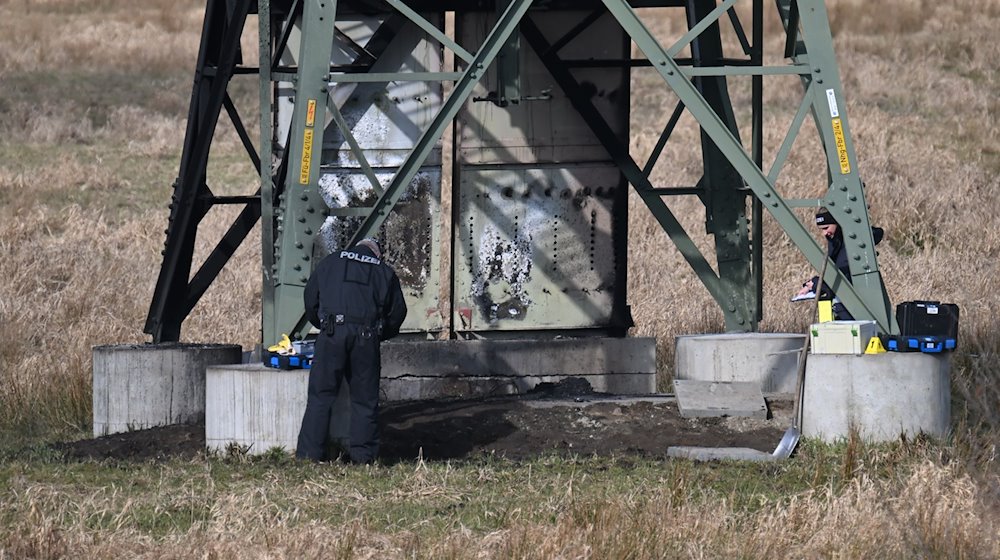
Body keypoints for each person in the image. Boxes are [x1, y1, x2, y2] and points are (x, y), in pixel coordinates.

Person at [296, 237, 407, 464]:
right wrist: (380, 334)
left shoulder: (331, 261)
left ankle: (309, 456)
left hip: (331, 333)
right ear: (377, 254)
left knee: (320, 397)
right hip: (366, 338)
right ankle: (363, 458)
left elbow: (310, 299)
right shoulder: (384, 271)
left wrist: (323, 324)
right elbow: (397, 313)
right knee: (364, 401)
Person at [795, 208, 884, 321]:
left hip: (854, 305)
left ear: (837, 222)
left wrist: (816, 284)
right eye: (821, 229)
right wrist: (812, 283)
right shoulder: (836, 240)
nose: (824, 233)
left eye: (826, 228)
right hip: (843, 304)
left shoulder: (849, 243)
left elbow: (840, 272)